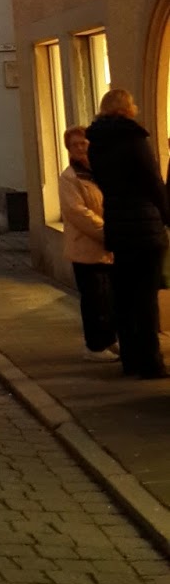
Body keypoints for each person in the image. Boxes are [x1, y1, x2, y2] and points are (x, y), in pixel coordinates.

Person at [86, 89, 168, 380]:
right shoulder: (134, 139)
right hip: (144, 227)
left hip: (118, 226)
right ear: (126, 108)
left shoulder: (96, 143)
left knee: (125, 295)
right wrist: (167, 214)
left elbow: (102, 180)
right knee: (146, 298)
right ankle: (150, 362)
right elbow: (153, 182)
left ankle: (130, 359)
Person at [58, 126, 117, 360]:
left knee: (109, 298)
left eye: (83, 143)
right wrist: (107, 232)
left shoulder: (100, 171)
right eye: (75, 145)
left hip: (107, 247)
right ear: (69, 149)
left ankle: (109, 340)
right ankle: (95, 346)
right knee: (95, 298)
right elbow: (78, 212)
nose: (80, 148)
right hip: (85, 246)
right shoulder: (69, 177)